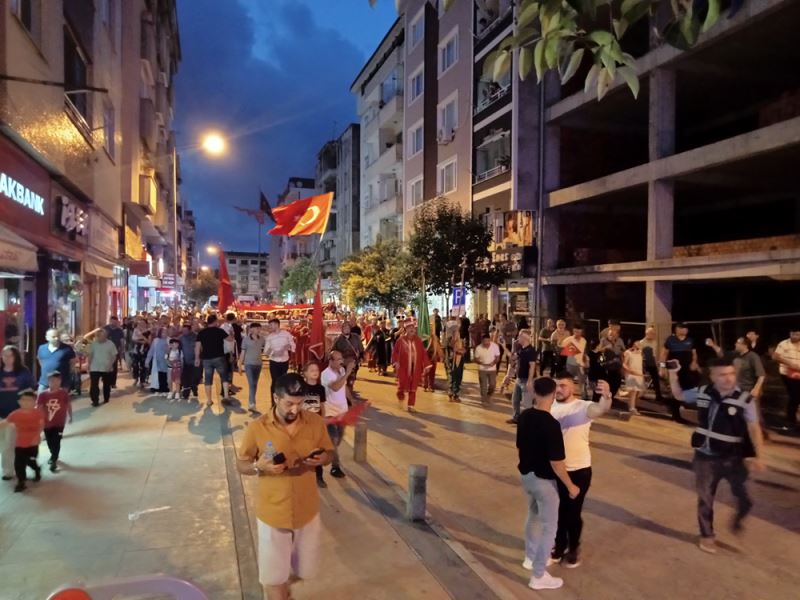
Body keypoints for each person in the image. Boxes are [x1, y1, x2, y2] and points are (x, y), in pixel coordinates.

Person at [236, 373, 334, 600]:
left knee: (306, 571)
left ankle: (284, 584)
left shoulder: (315, 422)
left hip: (306, 510)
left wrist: (323, 459)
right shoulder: (257, 428)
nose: (294, 410)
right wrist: (259, 467)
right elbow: (242, 464)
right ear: (275, 398)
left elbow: (328, 452)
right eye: (289, 403)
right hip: (273, 513)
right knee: (272, 579)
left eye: (299, 404)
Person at [667, 358, 765, 554]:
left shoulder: (745, 399)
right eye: (722, 375)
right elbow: (678, 395)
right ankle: (707, 535)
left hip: (733, 458)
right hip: (705, 457)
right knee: (706, 499)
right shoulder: (703, 392)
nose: (727, 379)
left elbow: (754, 428)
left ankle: (737, 522)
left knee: (745, 500)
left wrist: (758, 456)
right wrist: (673, 373)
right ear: (712, 377)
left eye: (731, 374)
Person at [518, 377, 580, 591]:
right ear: (553, 395)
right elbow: (557, 463)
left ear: (534, 393)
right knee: (549, 528)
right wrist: (571, 486)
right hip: (544, 482)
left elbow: (521, 446)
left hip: (526, 477)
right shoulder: (551, 424)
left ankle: (530, 557)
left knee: (533, 515)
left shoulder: (525, 416)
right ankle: (538, 575)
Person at [549, 374, 613, 568]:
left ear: (573, 388)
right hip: (554, 470)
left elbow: (600, 409)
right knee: (557, 511)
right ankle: (559, 547)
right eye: (556, 386)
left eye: (563, 385)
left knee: (572, 513)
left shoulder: (583, 407)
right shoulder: (549, 406)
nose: (559, 389)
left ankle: (573, 548)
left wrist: (607, 396)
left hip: (578, 470)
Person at [0, 345, 34, 481]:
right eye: (4, 355)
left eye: (10, 355)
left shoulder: (23, 372)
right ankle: (12, 466)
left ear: (15, 357)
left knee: (9, 443)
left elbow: (30, 390)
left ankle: (8, 470)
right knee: (3, 443)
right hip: (1, 413)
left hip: (16, 414)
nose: (6, 358)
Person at [2, 388, 43, 492]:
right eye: (23, 400)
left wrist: (38, 436)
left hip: (33, 444)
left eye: (29, 400)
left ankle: (37, 469)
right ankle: (21, 482)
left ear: (34, 402)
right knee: (19, 464)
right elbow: (5, 423)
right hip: (20, 444)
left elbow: (41, 425)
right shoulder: (15, 414)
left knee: (30, 461)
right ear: (19, 402)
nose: (26, 402)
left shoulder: (38, 413)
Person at [661, 323, 700, 423]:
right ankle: (675, 414)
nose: (684, 330)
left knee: (687, 389)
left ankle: (676, 405)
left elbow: (694, 354)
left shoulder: (690, 340)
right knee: (675, 391)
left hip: (687, 370)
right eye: (682, 328)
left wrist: (694, 362)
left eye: (686, 328)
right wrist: (662, 368)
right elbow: (663, 354)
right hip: (673, 369)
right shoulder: (670, 340)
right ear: (677, 329)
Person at [320, 351, 351, 480]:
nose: (340, 362)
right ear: (330, 361)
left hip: (342, 412)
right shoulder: (325, 374)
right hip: (330, 413)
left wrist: (351, 399)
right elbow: (336, 387)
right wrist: (348, 372)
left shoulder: (342, 370)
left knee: (338, 440)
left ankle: (325, 452)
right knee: (333, 440)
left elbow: (344, 386)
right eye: (338, 359)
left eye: (341, 359)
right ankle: (335, 467)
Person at [195, 315, 233, 412]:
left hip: (206, 358)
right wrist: (232, 333)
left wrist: (197, 358)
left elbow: (197, 346)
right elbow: (230, 339)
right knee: (224, 376)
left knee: (208, 379)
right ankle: (226, 396)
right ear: (215, 321)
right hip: (219, 357)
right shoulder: (219, 331)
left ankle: (209, 400)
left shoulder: (202, 332)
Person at [392, 321, 431, 413]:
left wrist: (426, 365)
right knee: (401, 386)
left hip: (415, 368)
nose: (412, 329)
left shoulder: (418, 340)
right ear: (406, 329)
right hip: (403, 367)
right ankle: (401, 399)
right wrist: (395, 362)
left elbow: (423, 353)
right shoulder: (400, 340)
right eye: (410, 328)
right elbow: (395, 352)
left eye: (413, 328)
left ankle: (410, 406)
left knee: (413, 387)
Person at [36, 371, 72, 472]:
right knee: (50, 441)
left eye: (56, 381)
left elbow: (68, 404)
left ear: (60, 381)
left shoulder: (63, 393)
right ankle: (53, 453)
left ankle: (54, 458)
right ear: (48, 382)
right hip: (47, 423)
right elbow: (39, 407)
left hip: (59, 423)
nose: (54, 383)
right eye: (52, 381)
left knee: (57, 440)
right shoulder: (43, 395)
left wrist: (70, 416)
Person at [301, 361, 328, 487]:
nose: (315, 372)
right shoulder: (301, 388)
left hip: (316, 424)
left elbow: (322, 405)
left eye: (316, 370)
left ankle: (319, 476)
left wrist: (323, 419)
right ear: (305, 373)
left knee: (317, 450)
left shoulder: (320, 389)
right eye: (311, 370)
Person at [507, 330, 537, 424]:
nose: (517, 338)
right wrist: (506, 346)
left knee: (527, 403)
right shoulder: (521, 349)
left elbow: (532, 366)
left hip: (525, 380)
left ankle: (529, 422)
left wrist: (530, 380)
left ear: (525, 338)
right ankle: (516, 418)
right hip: (519, 379)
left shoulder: (530, 350)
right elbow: (512, 358)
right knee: (515, 400)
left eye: (519, 336)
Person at [264, 318, 296, 403]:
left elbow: (293, 345)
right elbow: (266, 352)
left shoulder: (286, 334)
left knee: (283, 380)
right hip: (274, 361)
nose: (270, 327)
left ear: (277, 324)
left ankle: (282, 400)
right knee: (275, 380)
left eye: (271, 325)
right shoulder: (269, 337)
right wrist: (273, 353)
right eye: (269, 325)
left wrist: (287, 347)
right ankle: (274, 402)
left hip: (284, 361)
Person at [773, 328, 800, 429]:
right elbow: (775, 357)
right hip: (787, 373)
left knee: (795, 396)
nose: (796, 337)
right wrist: (790, 364)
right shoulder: (783, 344)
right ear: (790, 333)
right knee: (795, 396)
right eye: (794, 334)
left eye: (798, 335)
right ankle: (791, 420)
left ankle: (791, 418)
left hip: (799, 372)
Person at [36, 329, 76, 393]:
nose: (56, 338)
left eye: (58, 336)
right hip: (45, 381)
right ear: (47, 338)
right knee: (41, 400)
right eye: (53, 337)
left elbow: (72, 363)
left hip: (62, 382)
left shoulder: (67, 349)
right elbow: (40, 361)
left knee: (61, 401)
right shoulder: (41, 348)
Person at [87, 328, 119, 406]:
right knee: (94, 384)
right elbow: (90, 355)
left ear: (106, 336)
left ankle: (106, 397)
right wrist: (88, 365)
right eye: (99, 336)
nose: (101, 338)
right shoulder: (93, 344)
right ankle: (95, 400)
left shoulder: (110, 344)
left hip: (106, 367)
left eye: (103, 336)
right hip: (95, 367)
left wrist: (110, 365)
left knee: (106, 384)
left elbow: (114, 356)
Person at [332, 322, 363, 397]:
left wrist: (361, 357)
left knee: (351, 379)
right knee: (342, 378)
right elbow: (333, 350)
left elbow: (361, 348)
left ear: (350, 329)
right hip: (342, 361)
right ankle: (343, 393)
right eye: (344, 328)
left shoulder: (356, 337)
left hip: (352, 360)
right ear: (342, 329)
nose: (346, 329)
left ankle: (349, 394)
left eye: (347, 328)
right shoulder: (338, 339)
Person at [241, 322, 266, 413]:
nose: (259, 330)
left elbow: (267, 347)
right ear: (251, 329)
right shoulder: (246, 339)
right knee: (251, 384)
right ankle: (252, 404)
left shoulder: (262, 339)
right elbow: (243, 353)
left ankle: (251, 403)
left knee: (255, 384)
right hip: (248, 364)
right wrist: (240, 364)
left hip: (258, 364)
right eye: (257, 328)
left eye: (259, 328)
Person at [559, 324, 589, 399]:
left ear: (581, 332)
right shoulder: (569, 339)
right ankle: (567, 395)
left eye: (579, 332)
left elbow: (584, 352)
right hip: (570, 364)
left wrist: (585, 361)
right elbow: (560, 347)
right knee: (569, 381)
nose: (577, 333)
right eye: (575, 331)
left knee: (582, 381)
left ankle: (584, 396)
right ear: (573, 331)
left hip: (580, 364)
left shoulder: (584, 340)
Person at [598, 328, 625, 399]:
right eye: (610, 335)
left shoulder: (620, 341)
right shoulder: (603, 340)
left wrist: (623, 363)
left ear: (617, 335)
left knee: (617, 383)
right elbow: (599, 351)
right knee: (608, 382)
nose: (611, 336)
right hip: (607, 365)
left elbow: (623, 351)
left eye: (613, 335)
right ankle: (606, 397)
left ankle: (611, 396)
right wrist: (606, 347)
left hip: (617, 365)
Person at [638, 327, 663, 404]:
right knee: (642, 380)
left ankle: (658, 395)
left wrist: (656, 365)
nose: (653, 335)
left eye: (653, 333)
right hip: (644, 363)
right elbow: (639, 354)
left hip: (652, 362)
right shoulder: (641, 343)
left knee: (656, 379)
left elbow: (654, 355)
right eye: (651, 333)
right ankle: (640, 394)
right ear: (647, 334)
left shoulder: (654, 342)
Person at [474, 334, 501, 403]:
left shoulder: (495, 346)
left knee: (492, 384)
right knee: (483, 385)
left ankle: (489, 394)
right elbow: (476, 359)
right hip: (482, 369)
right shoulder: (478, 348)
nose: (486, 343)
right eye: (484, 341)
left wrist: (493, 363)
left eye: (488, 341)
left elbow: (498, 357)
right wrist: (481, 363)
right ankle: (484, 398)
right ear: (482, 341)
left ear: (490, 340)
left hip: (492, 369)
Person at [623, 340, 645, 415]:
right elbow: (624, 364)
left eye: (640, 344)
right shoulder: (628, 353)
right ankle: (632, 408)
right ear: (633, 344)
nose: (639, 345)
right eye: (637, 343)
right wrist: (630, 371)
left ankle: (633, 406)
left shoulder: (641, 353)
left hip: (639, 373)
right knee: (633, 391)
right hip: (631, 374)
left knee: (639, 392)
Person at [146, 328, 170, 397]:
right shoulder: (156, 341)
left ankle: (165, 389)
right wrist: (147, 361)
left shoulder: (169, 340)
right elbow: (151, 351)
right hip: (157, 361)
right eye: (163, 332)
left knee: (165, 375)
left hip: (166, 361)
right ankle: (159, 388)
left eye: (165, 332)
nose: (164, 334)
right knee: (159, 375)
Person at [179, 323, 200, 400]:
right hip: (185, 361)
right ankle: (186, 393)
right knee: (185, 378)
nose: (184, 332)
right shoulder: (181, 338)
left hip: (195, 361)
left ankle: (194, 388)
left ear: (190, 330)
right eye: (183, 330)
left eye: (185, 330)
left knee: (195, 377)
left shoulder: (196, 337)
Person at [103, 316, 125, 388]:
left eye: (115, 322)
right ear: (110, 321)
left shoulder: (119, 330)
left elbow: (121, 341)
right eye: (112, 321)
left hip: (115, 352)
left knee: (114, 367)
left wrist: (122, 351)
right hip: (105, 351)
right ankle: (106, 381)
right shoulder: (105, 329)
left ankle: (113, 382)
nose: (113, 323)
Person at [446, 325, 466, 403]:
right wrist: (456, 349)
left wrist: (460, 351)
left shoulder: (462, 341)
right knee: (452, 378)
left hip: (460, 362)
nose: (457, 334)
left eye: (458, 332)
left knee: (458, 378)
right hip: (452, 362)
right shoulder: (449, 341)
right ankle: (451, 394)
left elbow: (464, 350)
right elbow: (451, 350)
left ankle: (456, 395)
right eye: (455, 332)